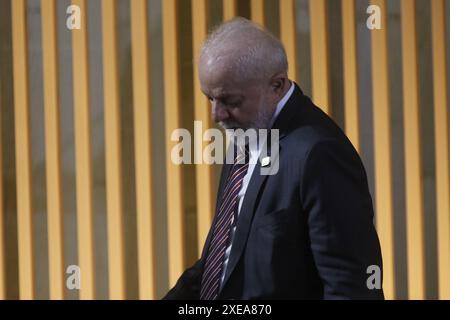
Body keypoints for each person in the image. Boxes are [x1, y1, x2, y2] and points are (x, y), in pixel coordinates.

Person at [164, 17, 384, 300]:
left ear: (277, 85)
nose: (216, 116)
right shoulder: (247, 130)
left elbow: (351, 288)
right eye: (210, 99)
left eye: (230, 101)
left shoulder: (319, 154)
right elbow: (225, 257)